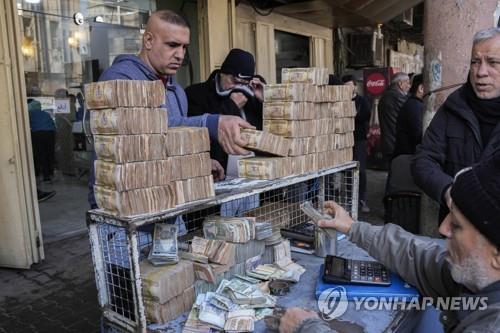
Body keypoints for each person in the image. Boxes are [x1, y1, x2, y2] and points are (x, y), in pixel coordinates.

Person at [279, 151, 500, 333]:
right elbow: (416, 257)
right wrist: (352, 227)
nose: (442, 228)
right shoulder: (475, 281)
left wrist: (307, 328)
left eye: (457, 225)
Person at [88, 10, 251, 208]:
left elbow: (169, 145)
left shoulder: (177, 91)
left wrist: (197, 163)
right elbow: (141, 133)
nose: (180, 55)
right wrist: (210, 122)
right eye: (172, 45)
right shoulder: (120, 79)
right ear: (148, 40)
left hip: (170, 202)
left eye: (184, 47)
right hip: (124, 206)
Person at [412, 27, 500, 223]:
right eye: (475, 62)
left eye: (493, 62)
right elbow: (423, 160)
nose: (481, 72)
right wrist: (449, 190)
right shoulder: (453, 108)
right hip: (456, 231)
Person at [186, 48, 265, 174]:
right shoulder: (195, 94)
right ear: (222, 73)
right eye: (234, 81)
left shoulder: (252, 95)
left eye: (243, 83)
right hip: (220, 172)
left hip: (256, 170)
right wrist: (231, 106)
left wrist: (264, 100)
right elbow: (199, 135)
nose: (238, 87)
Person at [342, 75, 371, 213]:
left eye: (350, 85)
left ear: (355, 86)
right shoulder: (341, 100)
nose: (348, 88)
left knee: (361, 170)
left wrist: (351, 115)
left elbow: (365, 115)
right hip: (345, 140)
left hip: (359, 139)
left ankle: (361, 199)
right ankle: (349, 198)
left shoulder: (362, 100)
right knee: (348, 169)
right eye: (345, 85)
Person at [27, 98, 57, 202]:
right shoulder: (45, 113)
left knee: (41, 154)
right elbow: (53, 125)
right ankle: (50, 174)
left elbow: (27, 126)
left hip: (38, 134)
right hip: (50, 133)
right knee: (50, 153)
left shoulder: (29, 113)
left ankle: (45, 176)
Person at [378, 72, 410, 163]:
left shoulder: (385, 95)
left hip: (388, 142)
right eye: (407, 83)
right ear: (400, 83)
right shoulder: (397, 97)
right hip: (395, 143)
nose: (409, 86)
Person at [393, 73, 424, 157]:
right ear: (421, 88)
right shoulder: (415, 106)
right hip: (408, 156)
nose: (409, 86)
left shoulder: (411, 103)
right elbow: (418, 135)